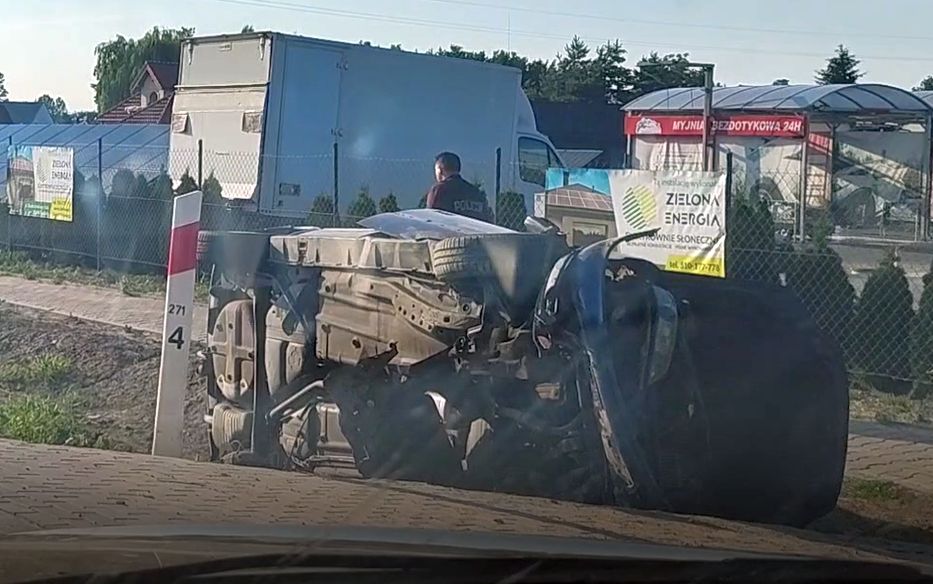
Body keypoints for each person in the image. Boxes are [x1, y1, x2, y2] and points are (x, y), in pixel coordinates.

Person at [425, 152, 493, 222]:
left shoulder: (439, 190)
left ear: (440, 171)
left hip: (450, 232)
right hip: (475, 232)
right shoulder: (475, 192)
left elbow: (431, 219)